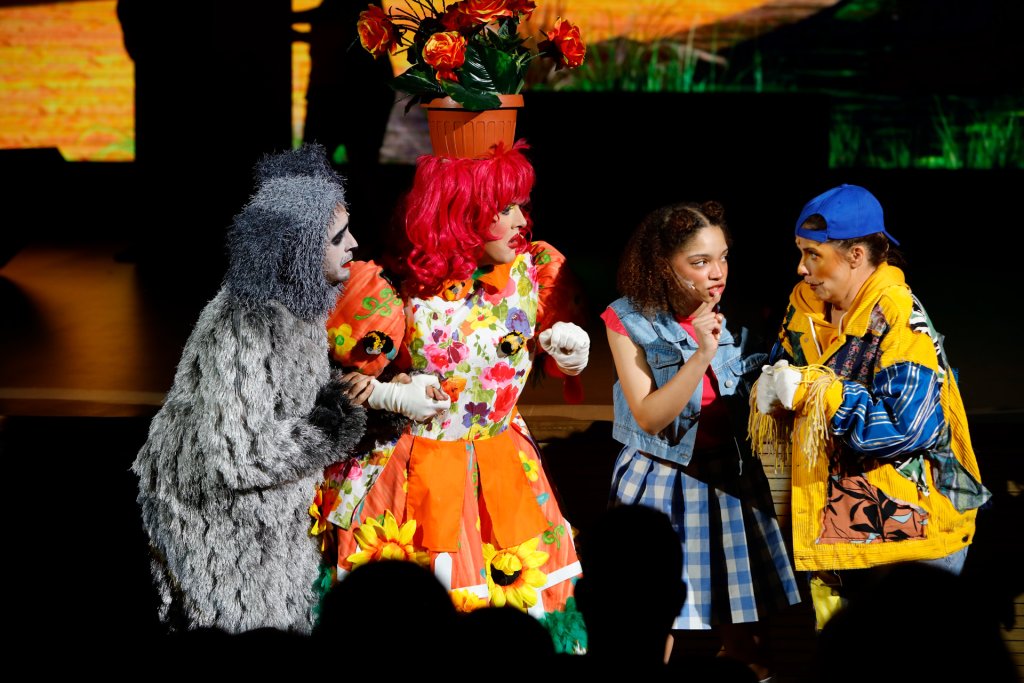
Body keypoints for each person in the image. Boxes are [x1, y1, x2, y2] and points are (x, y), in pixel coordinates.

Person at [308, 140, 591, 655]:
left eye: (521, 205)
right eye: (504, 208)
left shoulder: (534, 271)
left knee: (516, 605)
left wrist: (569, 355)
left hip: (503, 465)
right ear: (460, 212)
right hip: (413, 474)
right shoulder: (398, 288)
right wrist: (388, 395)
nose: (521, 221)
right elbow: (334, 387)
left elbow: (549, 356)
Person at [131, 143, 369, 634]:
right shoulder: (245, 324)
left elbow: (296, 398)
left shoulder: (301, 307)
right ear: (300, 248)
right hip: (220, 524)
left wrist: (357, 400)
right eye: (337, 237)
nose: (353, 244)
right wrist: (330, 428)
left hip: (271, 518)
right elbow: (241, 454)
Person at [750, 183, 991, 632]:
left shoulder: (900, 318)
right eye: (801, 252)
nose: (801, 267)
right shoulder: (803, 310)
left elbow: (907, 425)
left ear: (856, 255)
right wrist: (770, 389)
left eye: (813, 254)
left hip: (911, 536)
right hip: (838, 528)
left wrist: (816, 392)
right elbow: (788, 379)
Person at [602, 201, 802, 682]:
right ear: (662, 264)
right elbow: (649, 417)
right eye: (700, 261)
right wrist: (700, 354)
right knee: (650, 621)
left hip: (728, 478)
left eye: (724, 257)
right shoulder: (628, 319)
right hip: (660, 478)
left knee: (745, 633)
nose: (718, 273)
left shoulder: (741, 316)